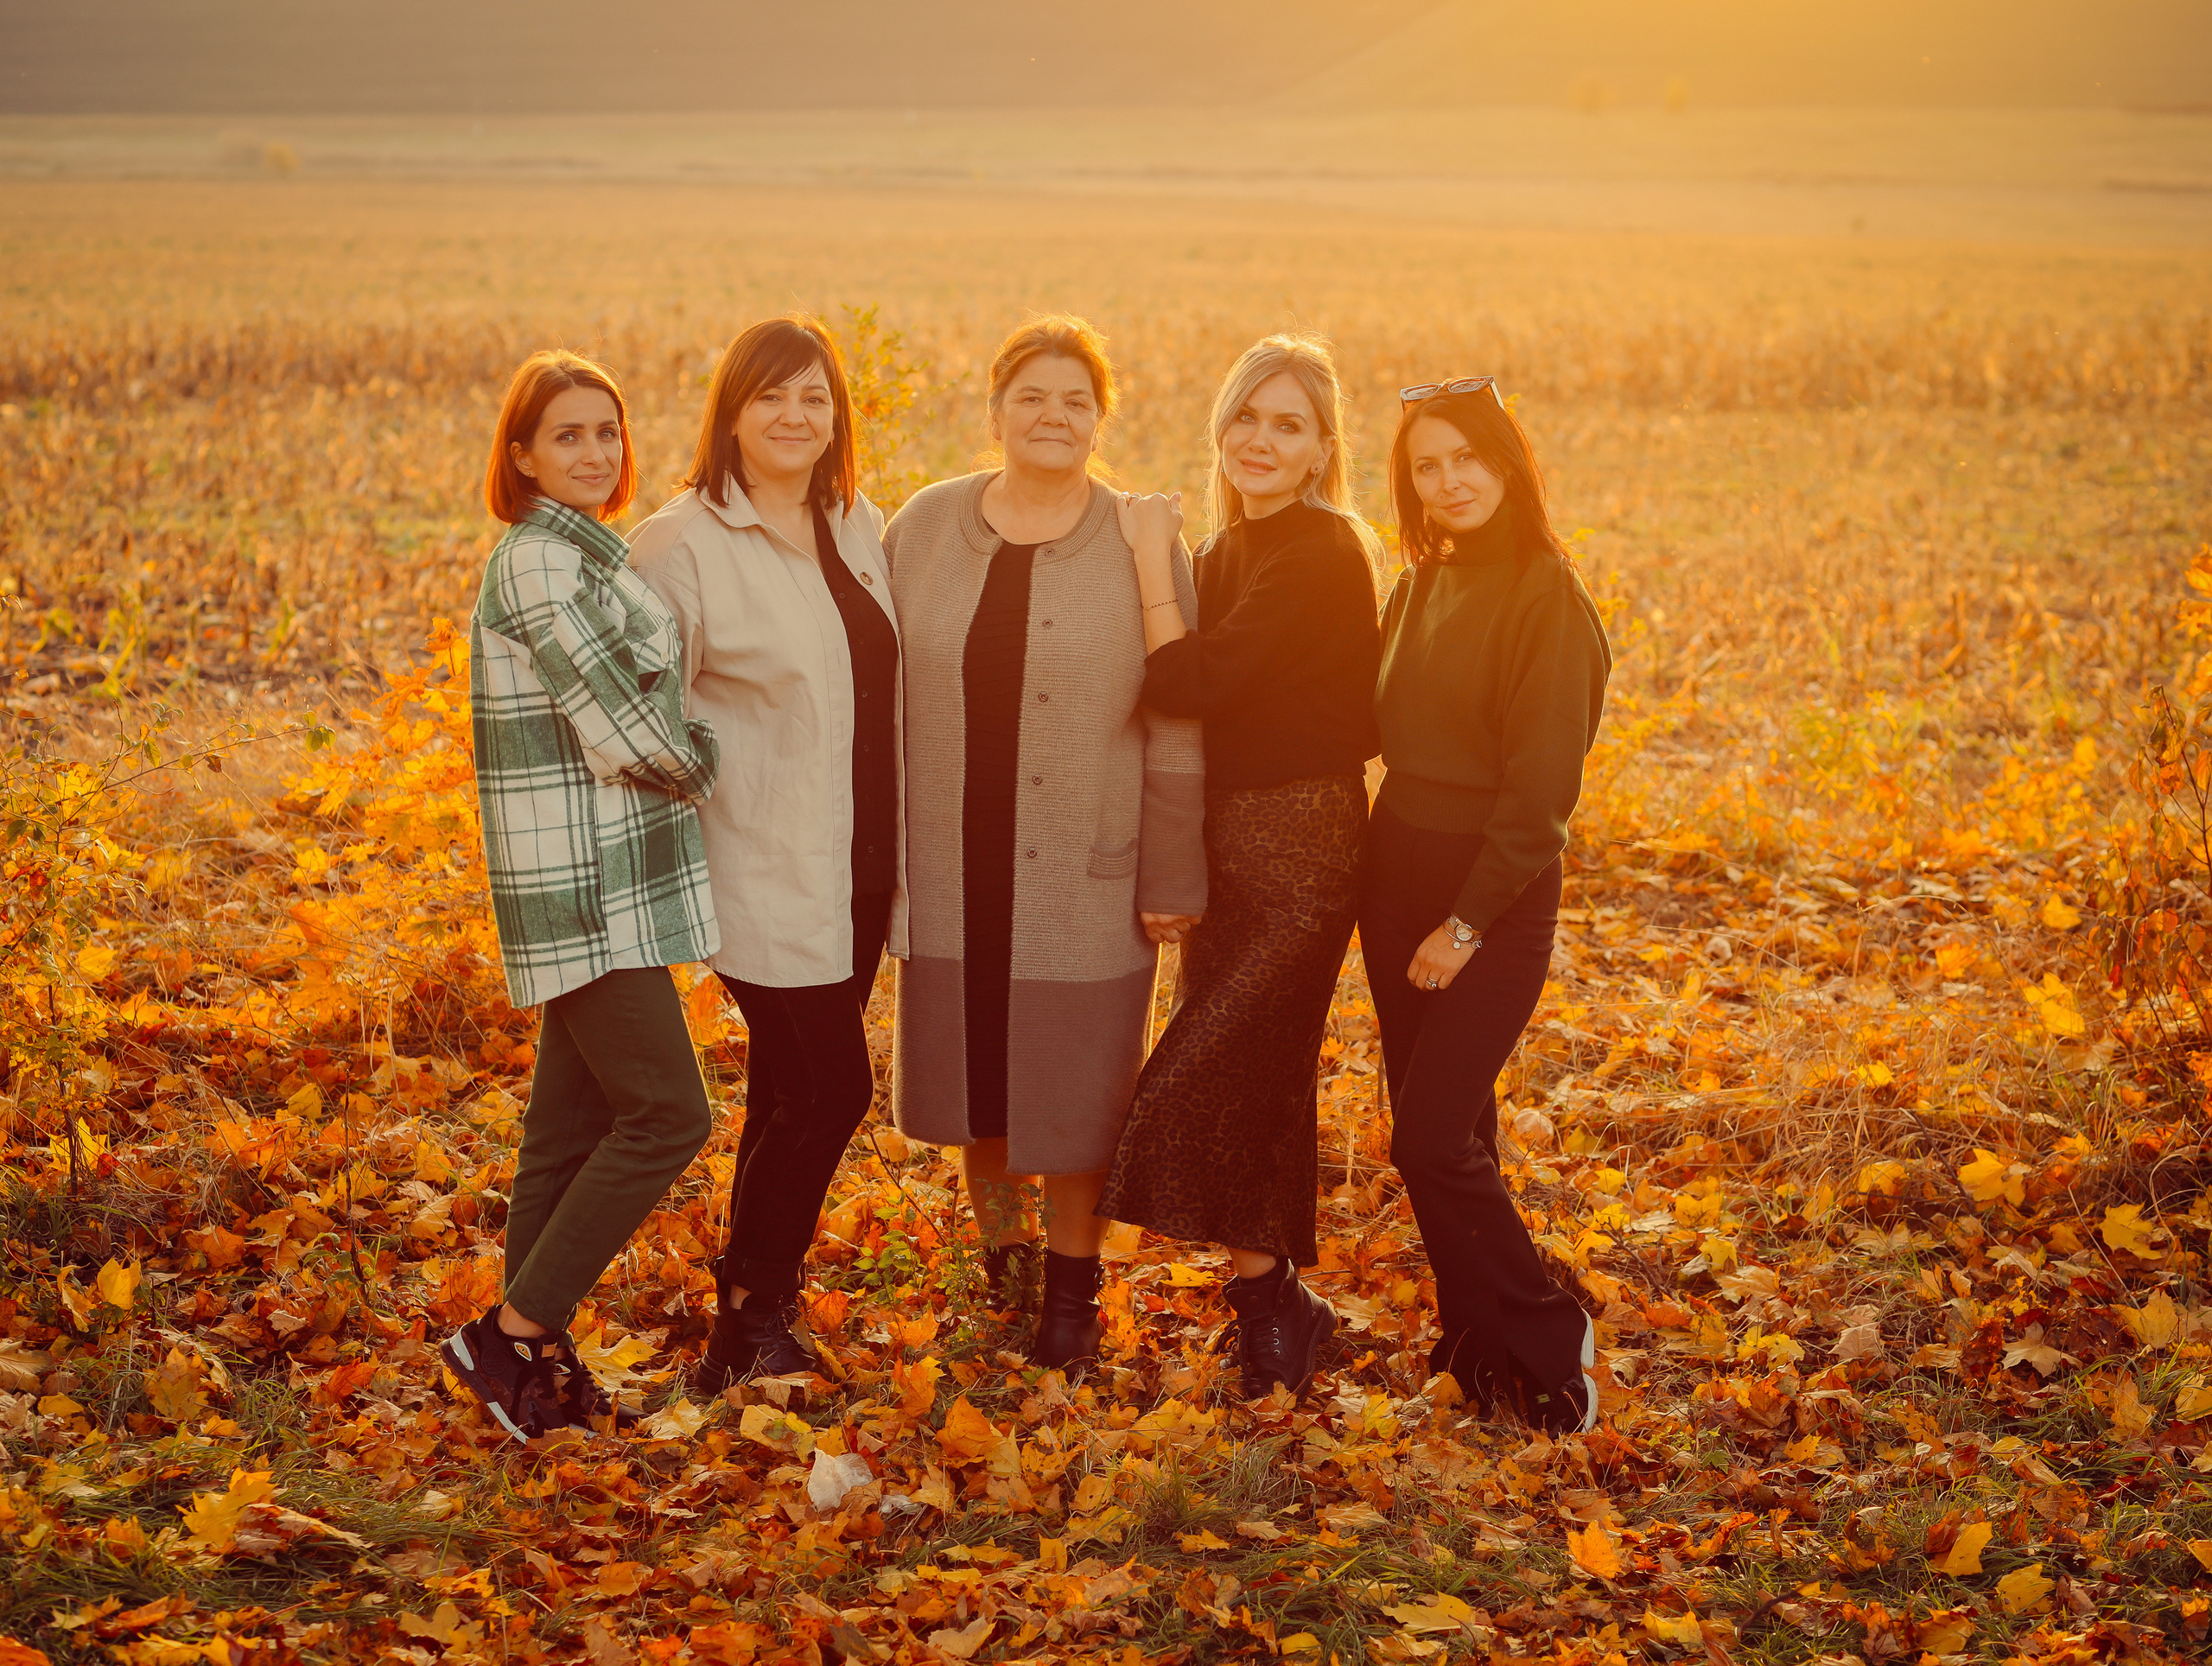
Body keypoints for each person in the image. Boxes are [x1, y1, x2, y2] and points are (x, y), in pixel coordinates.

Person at [884, 315, 1207, 1372]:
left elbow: (1179, 717)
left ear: (1101, 418)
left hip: (1082, 871)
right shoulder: (923, 527)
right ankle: (1005, 1259)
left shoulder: (1140, 541)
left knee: (1079, 1092)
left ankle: (1072, 1291)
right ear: (995, 411)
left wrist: (1171, 870)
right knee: (979, 1086)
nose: (1052, 415)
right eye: (1031, 396)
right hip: (954, 862)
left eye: (1076, 400)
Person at [442, 349, 721, 1440]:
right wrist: (705, 755)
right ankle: (511, 1333)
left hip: (617, 877)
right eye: (567, 434)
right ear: (520, 455)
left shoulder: (588, 557)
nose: (595, 451)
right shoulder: (539, 566)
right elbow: (623, 727)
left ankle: (527, 1365)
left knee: (567, 1125)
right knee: (668, 1113)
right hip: (585, 880)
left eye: (607, 431)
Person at [1098, 334, 1382, 1399]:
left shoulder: (1321, 550)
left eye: (1288, 424)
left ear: (1321, 450)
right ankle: (1273, 1310)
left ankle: (1273, 1306)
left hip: (1305, 840)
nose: (1261, 440)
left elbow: (1184, 681)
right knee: (1261, 1079)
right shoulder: (1226, 552)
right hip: (1221, 840)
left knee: (1208, 1065)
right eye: (1247, 417)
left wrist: (1146, 552)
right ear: (1223, 427)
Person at [629, 315, 900, 1391]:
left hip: (860, 867)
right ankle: (752, 1308)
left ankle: (742, 1333)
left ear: (838, 417)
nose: (796, 415)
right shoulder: (681, 545)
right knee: (833, 1088)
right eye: (772, 395)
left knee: (789, 1089)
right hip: (758, 866)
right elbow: (641, 723)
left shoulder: (856, 520)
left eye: (815, 397)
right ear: (731, 413)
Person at [1362, 375, 1612, 1434]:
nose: (1449, 480)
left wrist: (1462, 923)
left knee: (1426, 1139)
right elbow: (1366, 724)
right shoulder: (1419, 583)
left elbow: (1540, 791)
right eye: (1427, 465)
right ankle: (1477, 1346)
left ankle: (1550, 1329)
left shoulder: (1546, 598)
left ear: (1507, 463)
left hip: (1490, 895)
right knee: (1457, 1127)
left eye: (1467, 456)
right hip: (1394, 877)